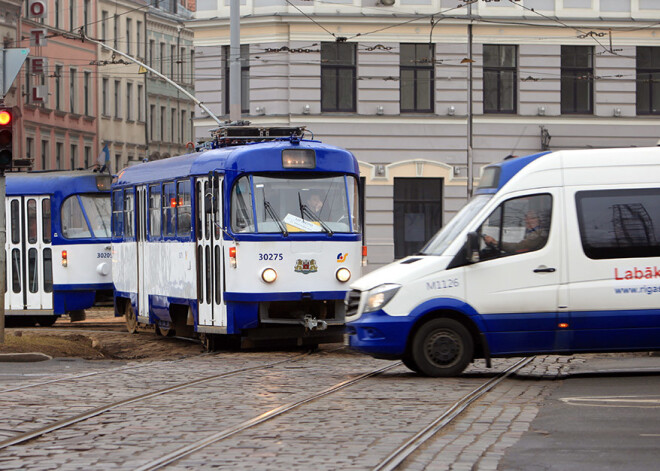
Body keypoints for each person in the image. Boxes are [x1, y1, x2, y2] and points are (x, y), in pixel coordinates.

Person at [483, 210, 548, 254]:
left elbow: (519, 247)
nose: (528, 221)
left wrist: (496, 242)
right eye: (526, 218)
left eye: (532, 218)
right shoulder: (530, 231)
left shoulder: (539, 234)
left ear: (539, 220)